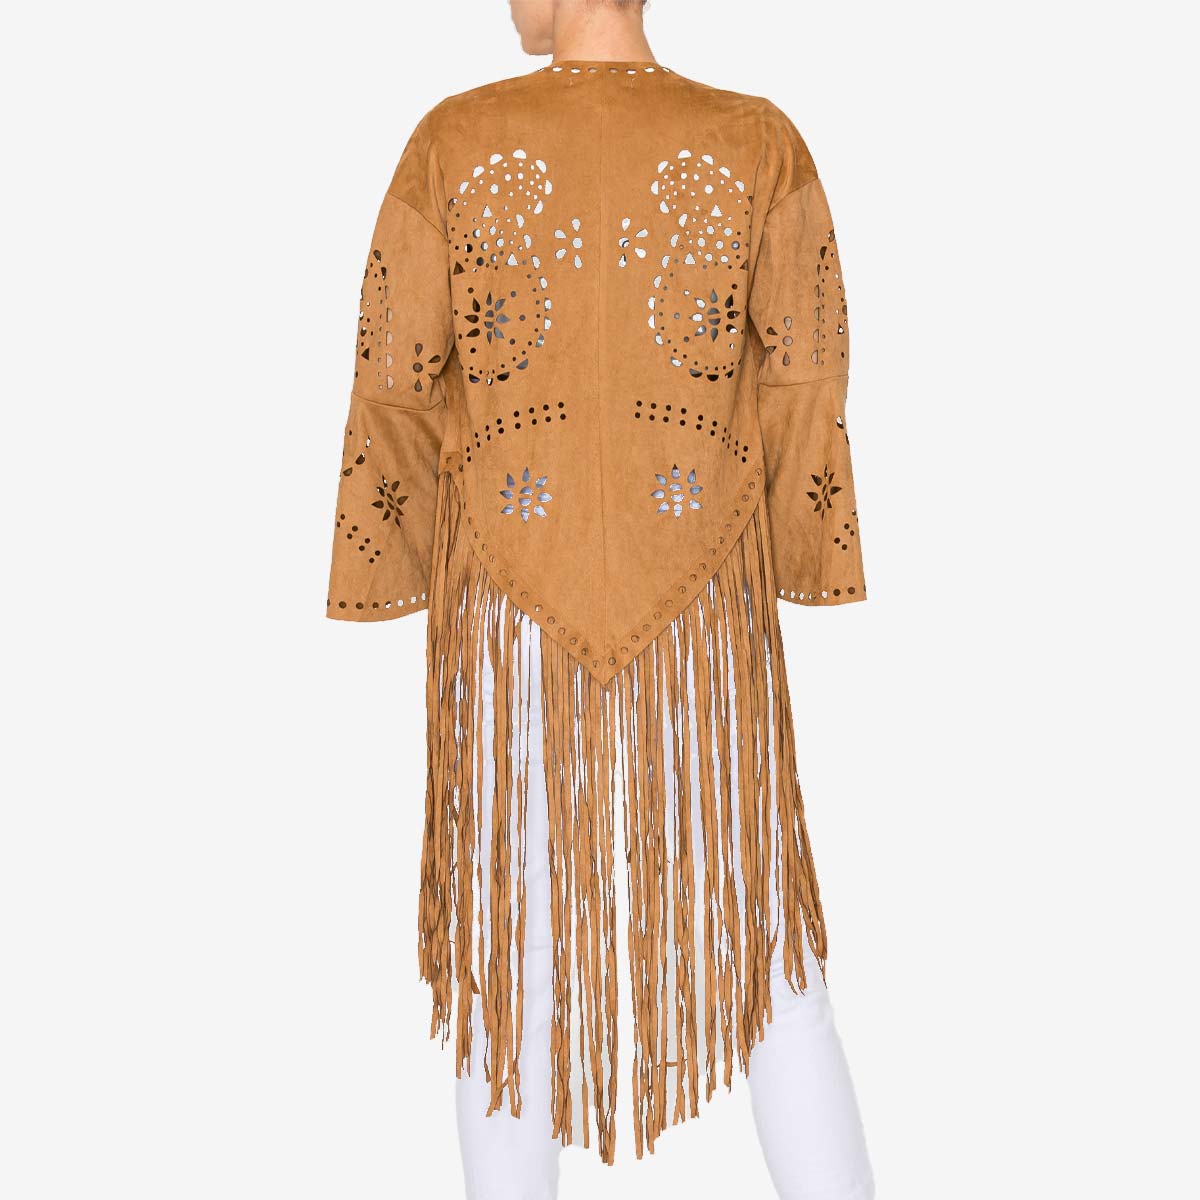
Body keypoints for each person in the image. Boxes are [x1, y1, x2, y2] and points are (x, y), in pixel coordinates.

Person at [324, 2, 876, 1196]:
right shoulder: (757, 140)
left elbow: (396, 381)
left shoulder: (452, 141)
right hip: (704, 611)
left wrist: (384, 558)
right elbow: (805, 372)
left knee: (510, 962)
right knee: (772, 955)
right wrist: (805, 543)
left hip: (512, 607)